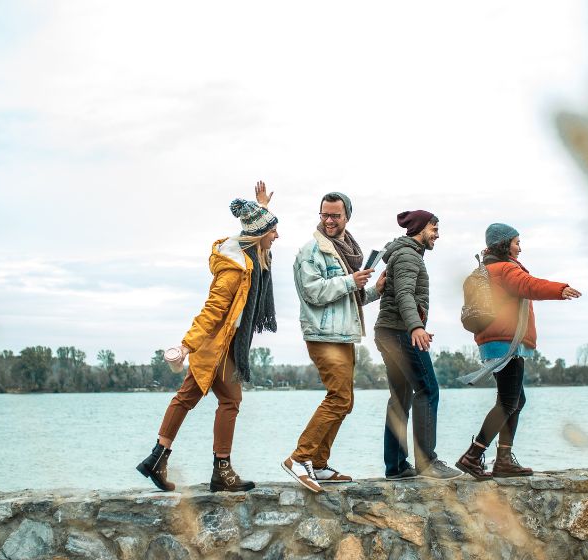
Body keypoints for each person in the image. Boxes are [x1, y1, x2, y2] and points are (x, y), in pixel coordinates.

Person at [136, 181, 279, 493]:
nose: (276, 236)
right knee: (214, 399)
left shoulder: (251, 258)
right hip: (216, 346)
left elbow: (257, 227)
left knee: (205, 398)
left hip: (226, 345)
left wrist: (262, 207)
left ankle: (161, 459)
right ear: (258, 236)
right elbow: (212, 310)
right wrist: (187, 344)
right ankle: (215, 469)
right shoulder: (234, 270)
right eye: (272, 232)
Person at [455, 223, 581, 480]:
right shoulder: (505, 269)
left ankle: (503, 459)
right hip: (507, 341)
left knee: (516, 400)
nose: (519, 248)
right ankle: (473, 455)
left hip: (492, 341)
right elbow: (529, 285)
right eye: (516, 242)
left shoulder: (483, 270)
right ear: (504, 244)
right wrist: (560, 289)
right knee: (508, 401)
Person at [282, 192, 385, 493]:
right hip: (322, 336)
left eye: (335, 215)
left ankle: (319, 463)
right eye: (324, 214)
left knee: (345, 401)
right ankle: (299, 458)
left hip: (343, 335)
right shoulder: (311, 251)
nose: (328, 220)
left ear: (347, 217)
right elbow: (314, 292)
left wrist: (375, 289)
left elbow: (350, 300)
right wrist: (352, 281)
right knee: (338, 398)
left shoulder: (348, 250)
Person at [374, 210, 462, 481]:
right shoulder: (409, 255)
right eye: (434, 228)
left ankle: (397, 466)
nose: (437, 234)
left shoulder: (403, 254)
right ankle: (427, 462)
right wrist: (416, 327)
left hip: (387, 331)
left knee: (400, 399)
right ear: (421, 229)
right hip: (400, 332)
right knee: (427, 389)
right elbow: (404, 294)